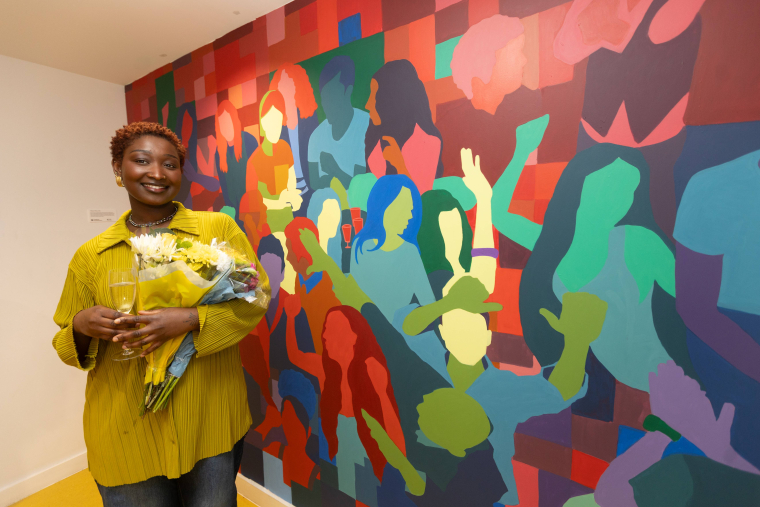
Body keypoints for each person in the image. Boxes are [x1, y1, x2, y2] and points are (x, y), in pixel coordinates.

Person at [52, 122, 270, 506]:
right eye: (141, 161)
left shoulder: (216, 230)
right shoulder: (91, 256)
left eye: (169, 164)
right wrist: (82, 325)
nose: (156, 172)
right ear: (119, 169)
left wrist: (189, 320)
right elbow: (64, 342)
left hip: (209, 420)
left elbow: (257, 298)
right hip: (125, 431)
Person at [512, 144, 698, 392]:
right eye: (608, 185)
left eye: (628, 189)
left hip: (666, 382)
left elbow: (696, 304)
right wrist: (521, 150)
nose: (618, 199)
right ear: (579, 184)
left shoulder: (637, 241)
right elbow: (500, 215)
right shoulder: (551, 247)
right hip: (599, 389)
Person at [283, 295, 405, 501]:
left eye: (333, 329)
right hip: (335, 467)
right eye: (326, 329)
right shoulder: (326, 371)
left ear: (354, 336)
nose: (325, 336)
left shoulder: (370, 371)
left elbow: (398, 447)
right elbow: (295, 355)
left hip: (370, 473)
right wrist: (291, 317)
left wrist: (383, 393)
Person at [350, 175, 434, 322]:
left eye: (410, 209)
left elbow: (428, 302)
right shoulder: (360, 247)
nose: (409, 216)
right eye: (403, 208)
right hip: (367, 330)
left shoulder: (410, 252)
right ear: (383, 206)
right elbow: (355, 300)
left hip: (400, 334)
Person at [364, 59, 443, 193]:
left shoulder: (429, 142)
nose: (367, 105)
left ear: (392, 99)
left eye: (375, 96)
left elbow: (422, 199)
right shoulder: (376, 145)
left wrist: (399, 165)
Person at [307, 55, 370, 190]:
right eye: (324, 98)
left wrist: (335, 171)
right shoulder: (316, 137)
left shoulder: (366, 126)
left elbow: (361, 189)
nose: (326, 104)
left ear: (348, 92)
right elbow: (314, 185)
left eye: (332, 96)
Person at [248, 90, 303, 234]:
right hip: (265, 226)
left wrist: (293, 197)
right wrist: (281, 202)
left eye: (278, 120)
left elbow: (291, 180)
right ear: (262, 122)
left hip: (287, 220)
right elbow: (255, 204)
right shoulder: (254, 161)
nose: (275, 126)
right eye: (270, 120)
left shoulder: (284, 148)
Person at [270, 63, 319, 200]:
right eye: (281, 87)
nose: (285, 92)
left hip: (311, 190)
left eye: (289, 84)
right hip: (288, 195)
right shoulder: (277, 128)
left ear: (298, 86)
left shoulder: (309, 119)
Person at [215, 100, 258, 221]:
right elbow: (224, 187)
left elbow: (259, 177)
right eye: (222, 124)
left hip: (253, 207)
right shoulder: (219, 153)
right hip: (235, 211)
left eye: (228, 122)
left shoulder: (249, 141)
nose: (225, 128)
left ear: (234, 120)